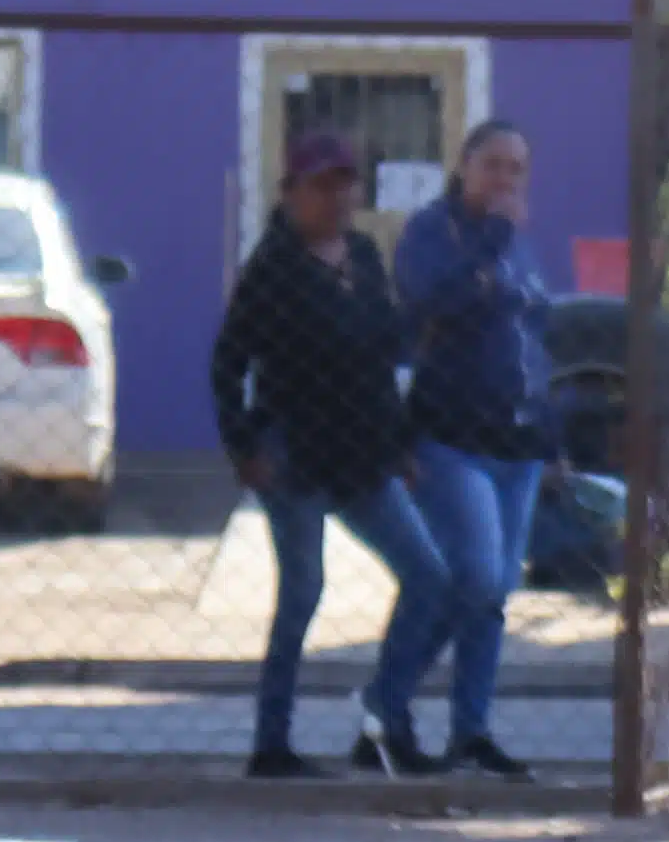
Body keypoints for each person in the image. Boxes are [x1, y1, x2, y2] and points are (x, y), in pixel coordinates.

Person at [208, 131, 455, 780]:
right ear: (291, 193)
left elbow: (382, 355)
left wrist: (401, 442)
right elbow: (228, 364)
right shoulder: (273, 269)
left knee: (430, 577)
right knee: (303, 592)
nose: (337, 195)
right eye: (320, 183)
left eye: (345, 182)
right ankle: (272, 745)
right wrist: (243, 445)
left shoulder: (367, 257)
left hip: (365, 453)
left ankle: (386, 716)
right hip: (293, 457)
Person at [392, 120, 558, 780]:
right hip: (451, 439)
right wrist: (490, 241)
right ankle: (387, 695)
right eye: (493, 164)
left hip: (517, 442)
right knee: (475, 578)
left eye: (516, 168)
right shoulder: (431, 233)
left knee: (492, 595)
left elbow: (534, 333)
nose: (505, 180)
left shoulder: (520, 243)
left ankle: (471, 731)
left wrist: (552, 437)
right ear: (462, 166)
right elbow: (436, 301)